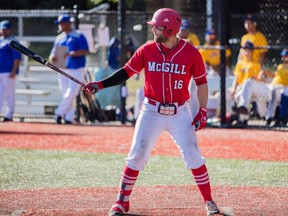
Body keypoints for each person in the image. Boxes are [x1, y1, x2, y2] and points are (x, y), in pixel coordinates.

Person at [82, 8, 220, 216]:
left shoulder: (191, 53)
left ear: (170, 29)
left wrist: (201, 110)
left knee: (193, 155)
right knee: (137, 154)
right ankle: (122, 201)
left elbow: (201, 83)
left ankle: (209, 201)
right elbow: (126, 72)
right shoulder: (147, 49)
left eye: (158, 27)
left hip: (180, 112)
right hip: (151, 110)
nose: (154, 30)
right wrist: (100, 85)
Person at [49, 14, 89, 124]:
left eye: (63, 23)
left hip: (77, 68)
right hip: (62, 68)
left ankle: (58, 113)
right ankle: (68, 118)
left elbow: (85, 50)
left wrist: (72, 53)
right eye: (60, 23)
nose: (61, 25)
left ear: (68, 23)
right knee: (65, 93)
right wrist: (52, 57)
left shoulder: (78, 35)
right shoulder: (59, 37)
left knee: (71, 93)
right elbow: (53, 52)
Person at [231, 41, 270, 125]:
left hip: (254, 87)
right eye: (245, 50)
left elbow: (260, 79)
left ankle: (243, 107)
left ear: (252, 51)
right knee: (238, 94)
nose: (246, 52)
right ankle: (242, 119)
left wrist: (257, 77)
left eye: (248, 50)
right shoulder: (240, 64)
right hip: (243, 88)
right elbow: (237, 79)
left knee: (248, 82)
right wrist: (233, 89)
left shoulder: (256, 64)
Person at [0, 20, 21, 122]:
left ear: (10, 30)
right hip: (0, 71)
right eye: (2, 29)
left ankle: (9, 114)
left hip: (9, 71)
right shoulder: (0, 41)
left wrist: (14, 70)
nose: (4, 31)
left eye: (6, 29)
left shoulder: (13, 41)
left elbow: (17, 58)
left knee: (9, 93)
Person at [266, 48, 288, 126]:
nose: (284, 58)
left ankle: (283, 117)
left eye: (286, 56)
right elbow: (275, 75)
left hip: (285, 86)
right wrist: (267, 73)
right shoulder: (280, 66)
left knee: (283, 94)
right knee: (274, 94)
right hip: (275, 85)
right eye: (283, 56)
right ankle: (270, 117)